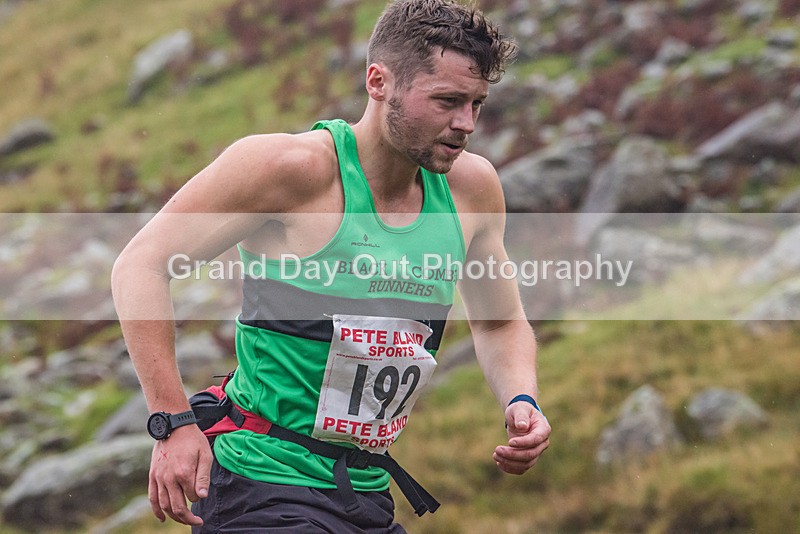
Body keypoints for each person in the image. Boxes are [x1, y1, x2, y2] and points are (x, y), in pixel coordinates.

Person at [112, 0, 551, 531]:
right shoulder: (288, 169)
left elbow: (499, 321)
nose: (466, 124)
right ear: (378, 81)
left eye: (477, 104)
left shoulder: (471, 190)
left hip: (365, 489)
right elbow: (141, 265)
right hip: (262, 479)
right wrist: (173, 422)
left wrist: (520, 397)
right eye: (447, 101)